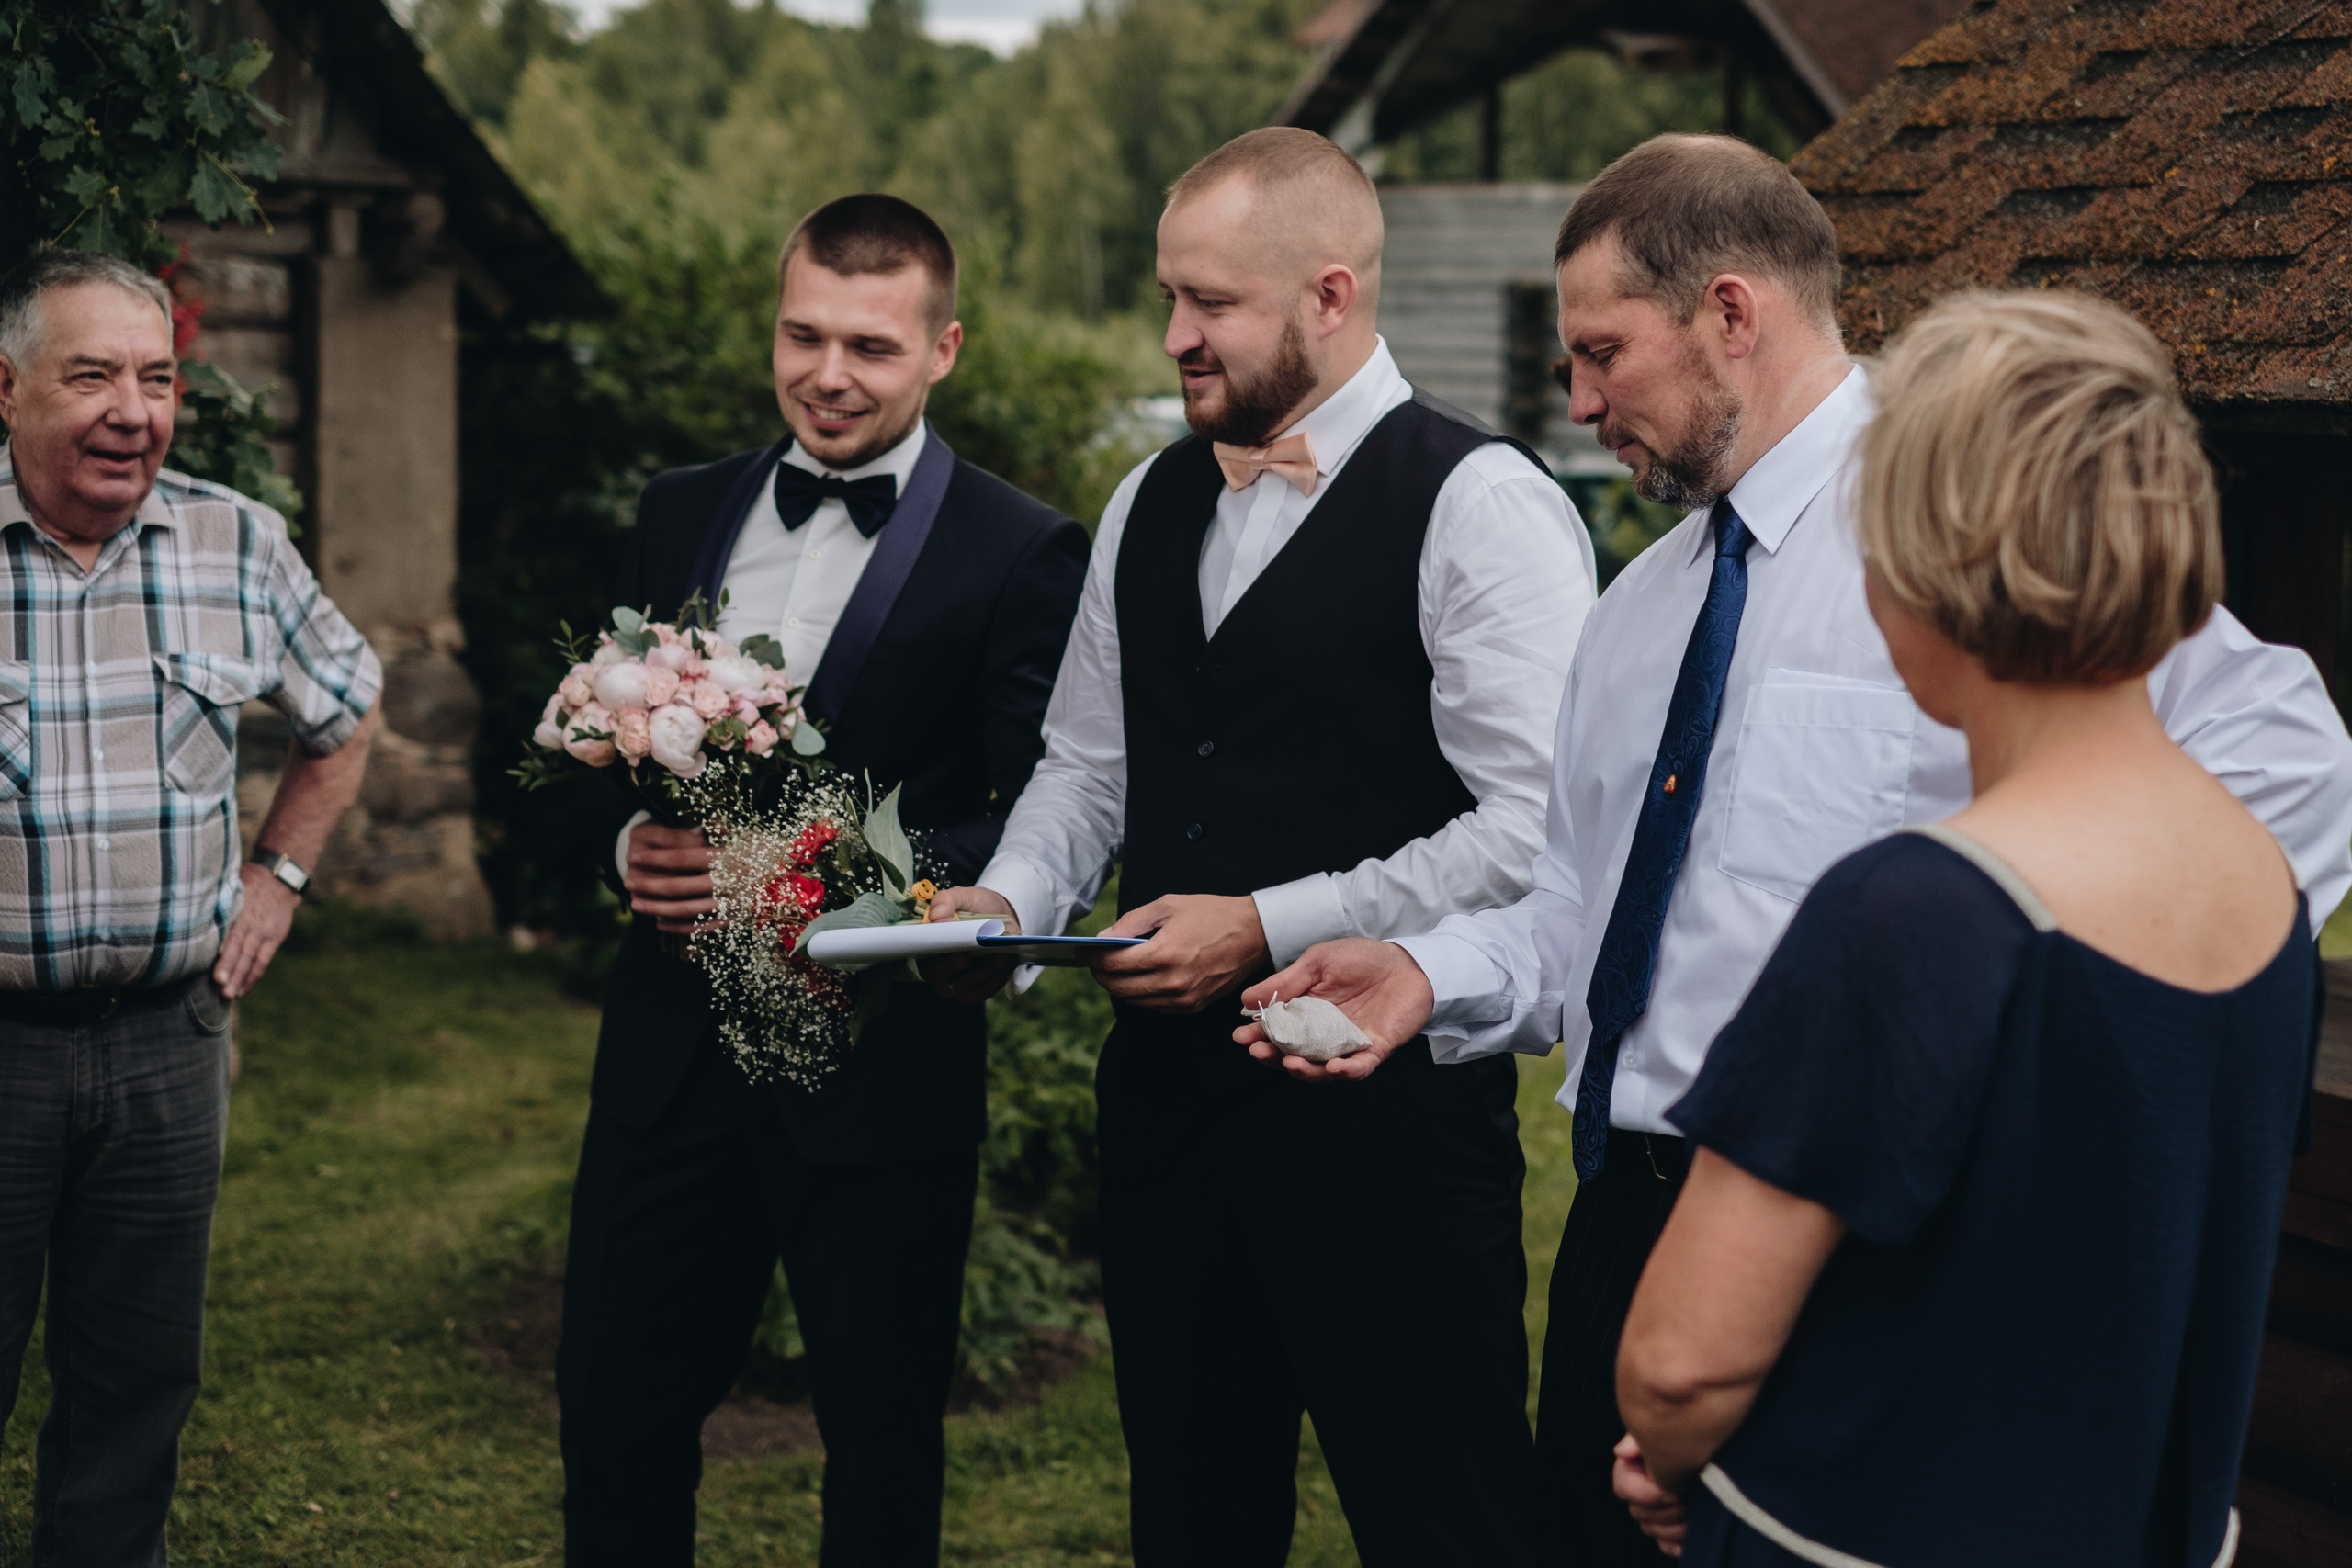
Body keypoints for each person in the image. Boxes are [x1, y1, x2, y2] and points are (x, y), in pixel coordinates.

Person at [1233, 135, 2352, 1566]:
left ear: (1730, 312)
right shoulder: (1637, 612)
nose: (1578, 403)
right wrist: (1428, 971)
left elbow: (2284, 752)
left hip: (1886, 1257)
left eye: (1602, 353)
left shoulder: (1982, 520)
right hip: (1622, 1242)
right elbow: (1591, 904)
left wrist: (2047, 1061)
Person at [923, 128, 1598, 1566]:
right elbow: (1086, 768)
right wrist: (1007, 899)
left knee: (1448, 1521)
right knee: (1192, 1520)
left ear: (1331, 297)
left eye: (1211, 303)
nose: (1175, 335)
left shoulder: (1484, 507)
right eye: (1170, 298)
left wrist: (1270, 920)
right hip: (1168, 1126)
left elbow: (1535, 829)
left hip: (1391, 1136)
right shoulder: (1147, 500)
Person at [1610, 288, 2313, 1566]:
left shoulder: (1918, 915)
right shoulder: (2262, 886)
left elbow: (1679, 1365)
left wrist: (1666, 1462)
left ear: (1924, 562)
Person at [556, 194, 1089, 1568]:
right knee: (612, 1415)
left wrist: (858, 892)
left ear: (943, 350)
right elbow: (582, 751)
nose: (831, 375)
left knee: (881, 1444)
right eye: (804, 336)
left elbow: (1034, 804)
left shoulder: (1020, 548)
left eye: (872, 346)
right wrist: (627, 847)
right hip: (667, 1063)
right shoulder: (679, 508)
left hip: (878, 1072)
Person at [0, 246, 381, 1564]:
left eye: (157, 378)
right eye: (93, 375)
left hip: (171, 1045)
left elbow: (345, 707)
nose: (134, 411)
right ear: (7, 388)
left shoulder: (233, 539)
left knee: (133, 1398)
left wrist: (276, 879)